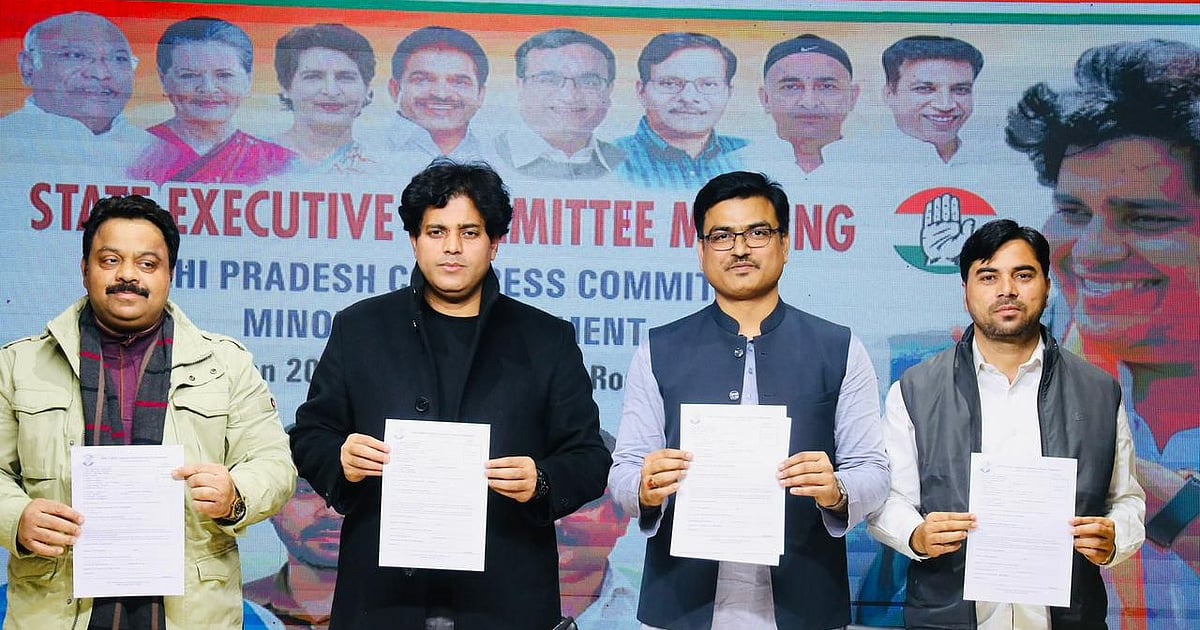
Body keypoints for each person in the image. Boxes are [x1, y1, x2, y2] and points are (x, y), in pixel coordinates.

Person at [289, 160, 611, 629]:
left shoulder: (546, 339)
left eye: (470, 232)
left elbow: (589, 458)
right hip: (383, 596)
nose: (452, 247)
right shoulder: (360, 329)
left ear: (495, 243)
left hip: (504, 595)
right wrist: (341, 458)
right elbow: (310, 435)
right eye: (436, 231)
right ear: (414, 240)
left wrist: (542, 479)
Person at [0, 194, 296, 629]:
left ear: (169, 274)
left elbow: (275, 464)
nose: (127, 275)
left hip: (190, 610)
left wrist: (235, 495)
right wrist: (16, 518)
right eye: (110, 260)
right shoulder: (19, 364)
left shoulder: (226, 364)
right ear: (84, 269)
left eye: (147, 263)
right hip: (57, 605)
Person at [609, 171, 889, 628]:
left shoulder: (839, 348)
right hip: (682, 606)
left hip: (805, 604)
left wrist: (836, 489)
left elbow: (873, 471)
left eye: (757, 233)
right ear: (701, 250)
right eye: (722, 236)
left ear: (785, 244)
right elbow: (624, 470)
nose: (740, 248)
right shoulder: (659, 349)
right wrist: (644, 487)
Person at [867, 219, 1146, 629]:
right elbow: (888, 499)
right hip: (948, 617)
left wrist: (1113, 537)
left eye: (1023, 275)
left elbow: (1127, 500)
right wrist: (916, 534)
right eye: (988, 276)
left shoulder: (1099, 392)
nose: (1007, 290)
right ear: (965, 290)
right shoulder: (915, 390)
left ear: (1047, 286)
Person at [1006, 38, 1200, 628]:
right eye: (1073, 212)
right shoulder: (1011, 375)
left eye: (1148, 219)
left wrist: (1120, 470)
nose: (1091, 252)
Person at [128, 17, 294, 185]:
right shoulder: (133, 152)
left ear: (248, 80)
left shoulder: (279, 163)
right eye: (189, 75)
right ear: (163, 79)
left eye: (224, 75)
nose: (208, 89)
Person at [0, 11, 152, 169]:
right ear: (28, 67)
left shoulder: (156, 151)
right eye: (75, 55)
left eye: (118, 58)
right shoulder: (6, 142)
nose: (100, 73)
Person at [615, 33, 747, 190]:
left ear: (729, 92)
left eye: (708, 84)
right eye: (669, 83)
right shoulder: (608, 160)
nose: (688, 98)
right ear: (641, 91)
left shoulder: (749, 154)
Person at [492, 29, 625, 180]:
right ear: (520, 86)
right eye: (549, 80)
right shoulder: (489, 152)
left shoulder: (626, 161)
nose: (570, 96)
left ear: (609, 90)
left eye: (589, 82)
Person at [271, 23, 380, 177]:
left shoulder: (381, 167)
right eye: (313, 77)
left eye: (346, 77)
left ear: (367, 90)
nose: (331, 91)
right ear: (285, 87)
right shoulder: (251, 158)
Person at [556, 429, 635, 627]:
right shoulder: (489, 601)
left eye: (581, 500)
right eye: (542, 497)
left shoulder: (641, 613)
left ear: (622, 517)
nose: (557, 520)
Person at [245, 474, 343, 629]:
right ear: (272, 507)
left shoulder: (385, 607)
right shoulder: (235, 606)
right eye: (305, 491)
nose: (333, 513)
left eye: (352, 492)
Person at [754, 34, 859, 175]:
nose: (809, 103)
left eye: (827, 87)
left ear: (852, 97)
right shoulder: (736, 163)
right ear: (766, 98)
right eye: (791, 87)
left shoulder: (878, 166)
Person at [382, 27, 491, 162]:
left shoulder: (499, 155)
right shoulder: (366, 148)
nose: (441, 94)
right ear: (395, 89)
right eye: (422, 80)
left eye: (459, 82)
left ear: (480, 95)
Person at [881, 35, 982, 165]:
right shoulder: (866, 161)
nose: (945, 105)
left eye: (961, 90)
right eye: (924, 89)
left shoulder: (995, 160)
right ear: (889, 95)